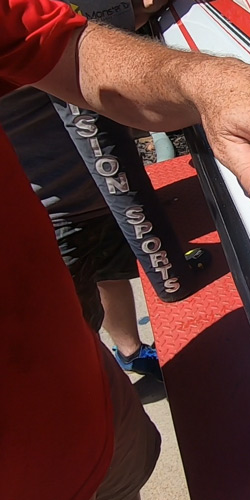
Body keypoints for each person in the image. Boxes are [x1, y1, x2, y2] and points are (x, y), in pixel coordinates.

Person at [0, 0, 250, 498]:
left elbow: (66, 46)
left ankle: (128, 350)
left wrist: (208, 80)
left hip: (83, 410)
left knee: (106, 269)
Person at [0, 0, 178, 382]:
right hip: (50, 216)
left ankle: (129, 350)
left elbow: (129, 13)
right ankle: (98, 389)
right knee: (69, 335)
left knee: (110, 274)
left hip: (107, 191)